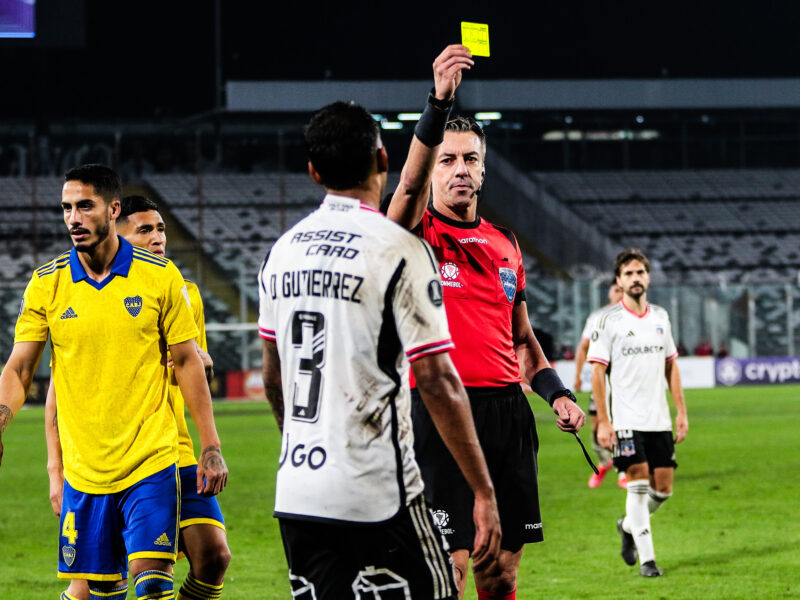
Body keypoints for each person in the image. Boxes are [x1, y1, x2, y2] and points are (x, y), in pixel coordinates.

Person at [258, 47, 503, 600]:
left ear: (314, 172)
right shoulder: (396, 250)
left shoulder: (281, 252)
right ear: (381, 161)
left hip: (297, 490)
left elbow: (273, 379)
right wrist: (481, 490)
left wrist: (299, 443)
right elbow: (438, 382)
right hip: (376, 490)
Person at [0, 164, 228, 600]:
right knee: (98, 593)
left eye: (85, 206)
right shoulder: (47, 284)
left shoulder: (161, 278)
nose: (73, 218)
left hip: (152, 460)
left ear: (111, 209)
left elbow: (187, 361)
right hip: (87, 473)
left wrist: (211, 446)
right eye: (67, 208)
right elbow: (19, 369)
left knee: (157, 583)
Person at [384, 117, 586, 600]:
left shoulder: (506, 244)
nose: (459, 170)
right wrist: (438, 103)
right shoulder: (413, 233)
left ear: (483, 169)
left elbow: (521, 340)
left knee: (499, 573)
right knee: (446, 570)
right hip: (438, 414)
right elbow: (408, 189)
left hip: (507, 417)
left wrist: (556, 392)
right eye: (447, 159)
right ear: (431, 167)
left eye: (470, 159)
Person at [587, 248, 689, 578]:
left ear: (648, 277)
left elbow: (671, 365)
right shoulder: (608, 320)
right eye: (628, 273)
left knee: (664, 489)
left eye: (640, 272)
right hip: (626, 419)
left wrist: (681, 412)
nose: (635, 278)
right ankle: (648, 560)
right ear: (619, 281)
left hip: (658, 418)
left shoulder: (660, 317)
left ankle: (628, 526)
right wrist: (604, 420)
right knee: (638, 483)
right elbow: (598, 373)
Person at [574, 281, 625, 488]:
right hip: (602, 380)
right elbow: (583, 346)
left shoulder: (633, 317)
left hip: (624, 380)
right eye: (616, 290)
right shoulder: (596, 318)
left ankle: (624, 469)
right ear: (610, 294)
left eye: (622, 289)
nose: (620, 293)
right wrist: (577, 375)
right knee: (596, 426)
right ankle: (604, 462)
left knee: (624, 424)